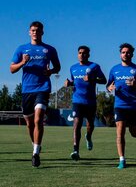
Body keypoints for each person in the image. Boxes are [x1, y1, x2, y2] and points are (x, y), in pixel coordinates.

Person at [10, 21, 61, 168]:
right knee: (29, 124)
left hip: (42, 88)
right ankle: (35, 143)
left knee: (38, 120)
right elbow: (12, 69)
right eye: (33, 30)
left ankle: (35, 153)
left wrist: (50, 71)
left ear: (42, 32)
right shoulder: (21, 49)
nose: (35, 32)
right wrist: (23, 63)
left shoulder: (49, 50)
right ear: (29, 32)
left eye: (38, 30)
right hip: (27, 90)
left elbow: (57, 67)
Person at [106, 43, 136, 169]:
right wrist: (109, 88)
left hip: (134, 106)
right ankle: (122, 160)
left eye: (128, 52)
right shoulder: (114, 69)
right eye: (123, 52)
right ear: (120, 54)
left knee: (134, 133)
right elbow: (108, 85)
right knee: (120, 132)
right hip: (119, 105)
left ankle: (134, 126)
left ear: (132, 54)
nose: (125, 54)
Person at [64, 46, 106, 160]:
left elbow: (104, 80)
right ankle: (75, 150)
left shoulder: (94, 66)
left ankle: (89, 136)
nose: (81, 55)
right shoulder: (73, 68)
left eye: (84, 53)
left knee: (90, 124)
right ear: (77, 54)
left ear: (88, 55)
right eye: (80, 53)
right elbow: (75, 82)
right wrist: (69, 83)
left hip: (90, 101)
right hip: (77, 100)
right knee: (77, 123)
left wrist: (92, 79)